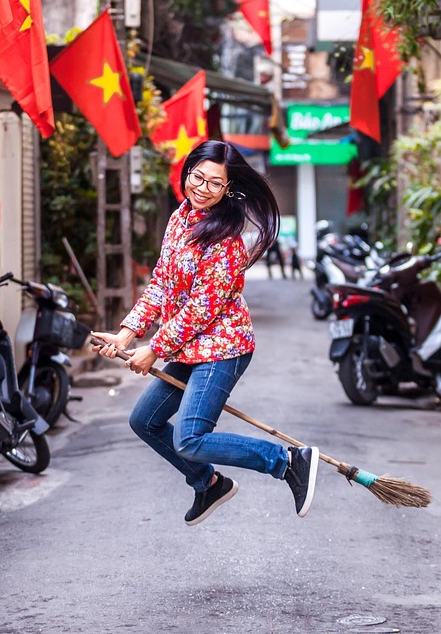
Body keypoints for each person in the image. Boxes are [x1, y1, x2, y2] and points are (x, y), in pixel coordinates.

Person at [92, 140, 320, 525]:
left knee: (190, 438)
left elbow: (201, 309)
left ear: (227, 190)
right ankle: (209, 482)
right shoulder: (180, 217)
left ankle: (287, 461)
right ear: (187, 171)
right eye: (198, 176)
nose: (202, 188)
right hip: (188, 348)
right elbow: (162, 283)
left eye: (215, 184)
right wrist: (128, 334)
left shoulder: (225, 240)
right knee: (144, 420)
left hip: (222, 349)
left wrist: (155, 348)